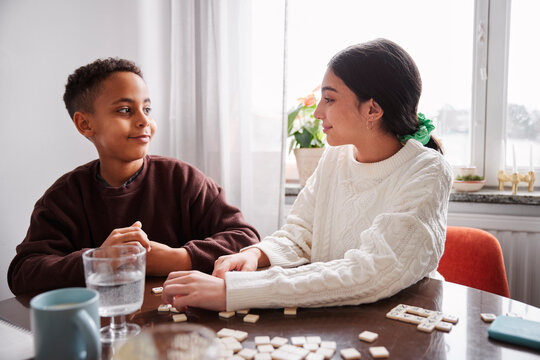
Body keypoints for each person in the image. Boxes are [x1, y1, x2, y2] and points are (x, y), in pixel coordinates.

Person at [161, 38, 453, 311]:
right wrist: (255, 254)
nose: (317, 113)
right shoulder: (334, 159)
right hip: (337, 320)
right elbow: (300, 235)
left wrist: (235, 292)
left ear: (373, 110)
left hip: (402, 326)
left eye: (329, 99)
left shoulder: (427, 171)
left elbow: (372, 272)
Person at [8, 58, 259, 295]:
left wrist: (177, 258)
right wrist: (98, 260)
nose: (143, 120)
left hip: (181, 321)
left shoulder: (182, 179)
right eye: (125, 110)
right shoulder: (64, 198)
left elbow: (245, 237)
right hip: (104, 327)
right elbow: (23, 273)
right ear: (85, 124)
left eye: (147, 108)